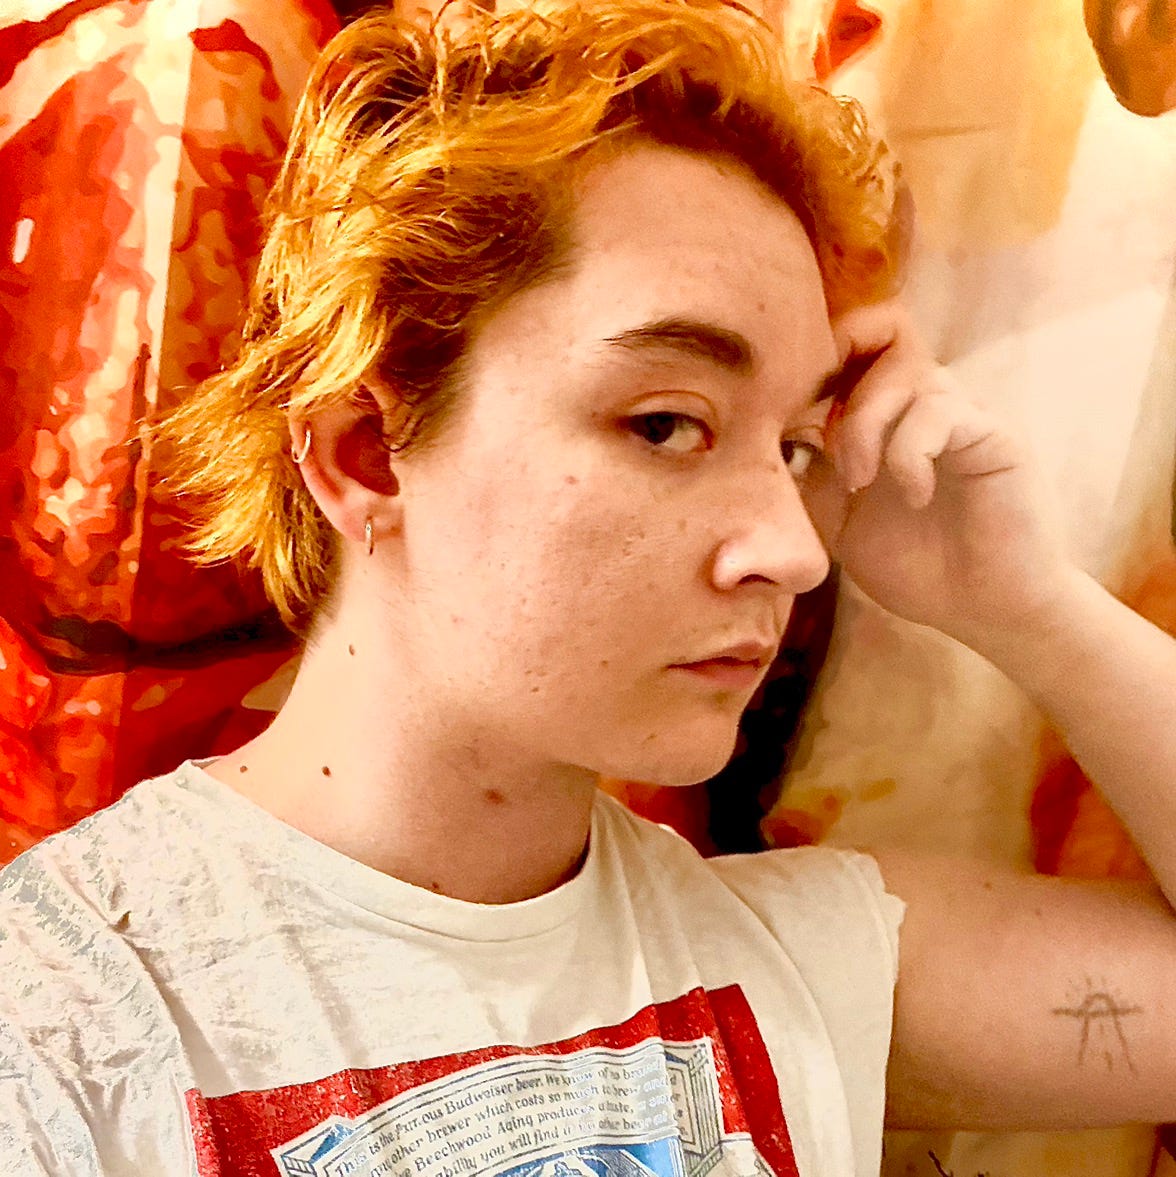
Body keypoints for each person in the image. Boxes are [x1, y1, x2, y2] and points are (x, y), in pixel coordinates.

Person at [2, 1, 1176, 1174]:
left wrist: (1023, 600)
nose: (792, 549)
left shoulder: (798, 968)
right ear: (368, 454)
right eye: (666, 423)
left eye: (795, 447)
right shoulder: (63, 1023)